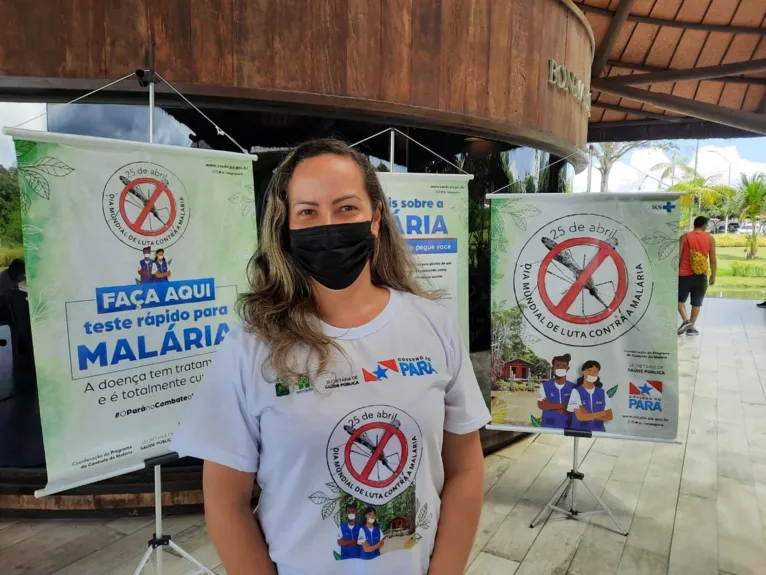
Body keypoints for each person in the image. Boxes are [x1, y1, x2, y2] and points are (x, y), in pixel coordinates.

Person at [171, 139, 489, 575]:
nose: (328, 226)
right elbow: (225, 503)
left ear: (375, 218)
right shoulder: (250, 347)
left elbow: (466, 469)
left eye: (345, 208)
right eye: (308, 212)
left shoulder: (433, 325)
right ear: (286, 228)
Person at [678, 215, 716, 336]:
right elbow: (713, 259)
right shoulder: (710, 238)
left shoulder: (684, 237)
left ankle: (685, 321)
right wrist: (713, 275)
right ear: (704, 225)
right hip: (701, 275)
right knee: (696, 302)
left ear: (695, 224)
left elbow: (677, 256)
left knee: (678, 300)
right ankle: (691, 328)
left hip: (684, 274)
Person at [568, 360, 612, 433]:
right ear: (583, 372)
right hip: (580, 432)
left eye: (596, 371)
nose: (592, 374)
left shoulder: (602, 392)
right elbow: (581, 417)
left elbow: (609, 416)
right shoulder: (576, 392)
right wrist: (601, 413)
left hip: (599, 433)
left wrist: (588, 414)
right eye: (589, 370)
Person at [537, 353, 575, 429]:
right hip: (548, 427)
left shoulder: (574, 387)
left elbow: (575, 408)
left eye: (564, 366)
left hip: (568, 428)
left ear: (568, 368)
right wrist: (564, 406)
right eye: (557, 366)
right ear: (553, 368)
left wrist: (550, 405)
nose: (560, 368)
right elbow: (541, 405)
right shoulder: (545, 386)